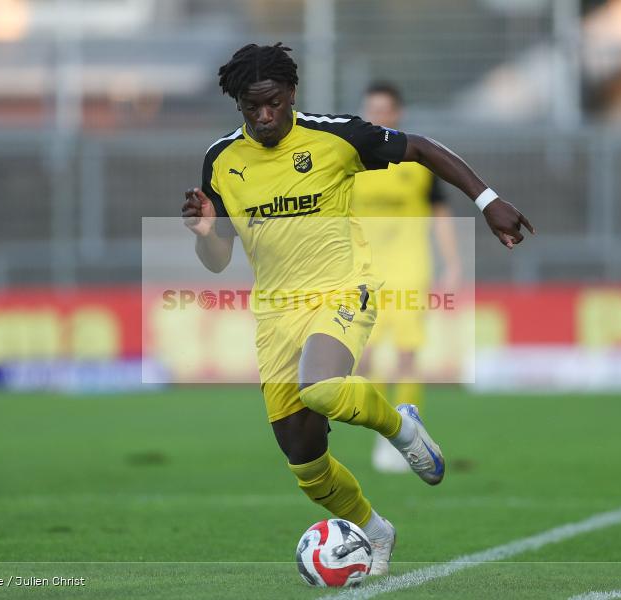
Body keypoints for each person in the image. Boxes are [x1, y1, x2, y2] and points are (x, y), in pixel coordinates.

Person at [181, 43, 533, 576]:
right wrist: (206, 232)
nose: (264, 116)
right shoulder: (221, 161)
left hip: (343, 290)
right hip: (276, 313)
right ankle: (374, 530)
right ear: (238, 107)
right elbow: (218, 257)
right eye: (251, 108)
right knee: (306, 465)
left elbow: (420, 147)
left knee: (320, 386)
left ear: (291, 94)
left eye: (273, 102)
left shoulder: (335, 136)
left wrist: (488, 202)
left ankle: (402, 428)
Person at [352, 81, 461, 473]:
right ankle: (387, 430)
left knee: (407, 353)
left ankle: (405, 434)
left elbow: (440, 213)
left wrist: (452, 263)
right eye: (372, 109)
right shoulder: (352, 157)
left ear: (397, 113)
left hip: (411, 267)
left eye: (385, 109)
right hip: (364, 272)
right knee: (363, 358)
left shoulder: (417, 159)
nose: (379, 116)